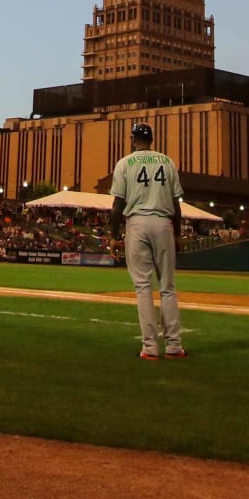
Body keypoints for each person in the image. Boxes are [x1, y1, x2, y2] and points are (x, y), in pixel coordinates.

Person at [109, 122, 186, 359]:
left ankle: (150, 347)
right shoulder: (167, 161)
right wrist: (177, 233)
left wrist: (113, 236)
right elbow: (176, 205)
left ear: (133, 139)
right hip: (163, 222)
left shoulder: (124, 163)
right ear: (152, 139)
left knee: (143, 287)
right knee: (168, 288)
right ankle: (173, 345)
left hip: (137, 222)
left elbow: (117, 205)